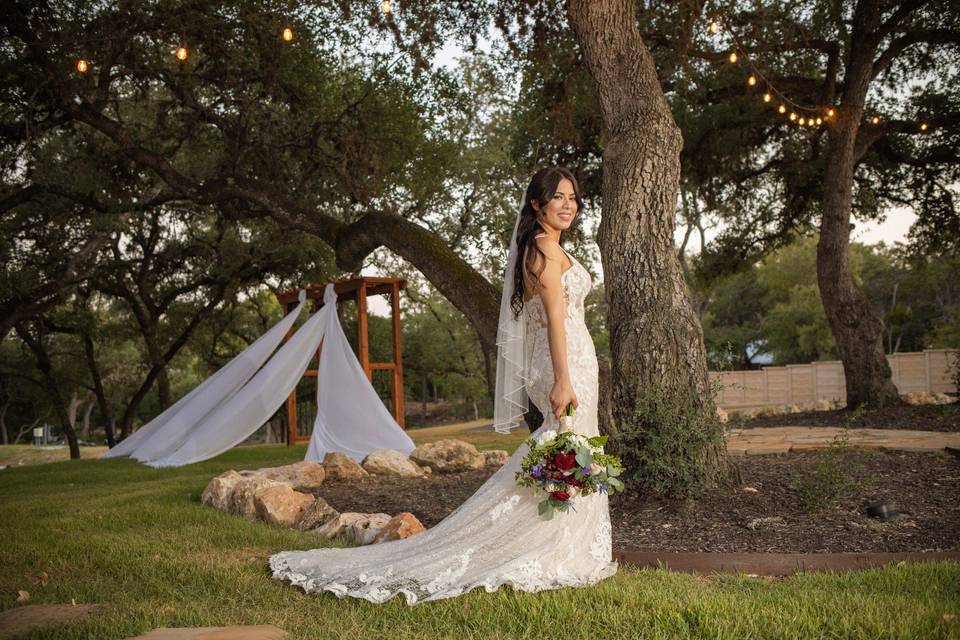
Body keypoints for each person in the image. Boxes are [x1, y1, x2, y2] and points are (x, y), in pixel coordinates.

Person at [269, 166, 618, 604]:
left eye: (573, 197)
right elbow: (552, 322)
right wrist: (564, 379)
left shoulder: (545, 248)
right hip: (564, 363)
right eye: (559, 197)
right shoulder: (544, 253)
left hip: (576, 359)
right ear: (536, 205)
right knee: (563, 445)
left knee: (569, 445)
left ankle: (566, 537)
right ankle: (546, 542)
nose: (568, 205)